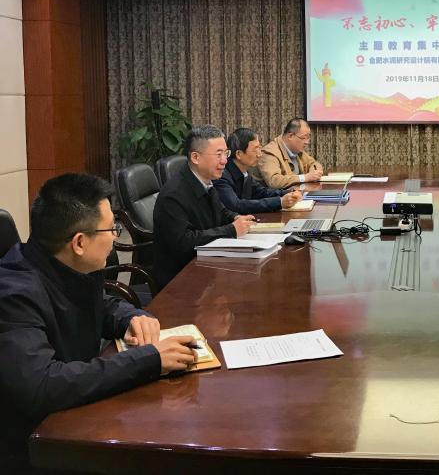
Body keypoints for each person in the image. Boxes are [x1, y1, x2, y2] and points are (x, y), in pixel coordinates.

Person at [0, 173, 197, 466]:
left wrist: (131, 317)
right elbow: (41, 386)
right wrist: (149, 360)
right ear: (79, 242)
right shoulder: (14, 294)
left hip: (78, 413)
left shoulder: (67, 262)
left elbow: (100, 305)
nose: (116, 236)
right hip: (37, 444)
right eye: (112, 228)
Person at [153, 125, 255, 289]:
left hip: (206, 264)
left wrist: (235, 218)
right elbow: (184, 242)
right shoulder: (173, 195)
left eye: (226, 153)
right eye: (218, 154)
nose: (224, 160)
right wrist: (231, 230)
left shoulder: (205, 180)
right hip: (180, 280)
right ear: (195, 157)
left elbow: (220, 211)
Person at [214, 127, 303, 213]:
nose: (259, 155)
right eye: (255, 150)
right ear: (239, 154)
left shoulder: (245, 171)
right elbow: (237, 206)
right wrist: (280, 202)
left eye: (259, 148)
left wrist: (288, 192)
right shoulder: (221, 175)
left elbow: (261, 192)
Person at [257, 118, 323, 189]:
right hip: (277, 195)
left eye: (308, 138)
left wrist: (314, 171)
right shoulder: (270, 153)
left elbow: (314, 163)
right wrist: (305, 178)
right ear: (290, 136)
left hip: (296, 193)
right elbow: (274, 181)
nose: (307, 142)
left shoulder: (297, 150)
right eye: (303, 138)